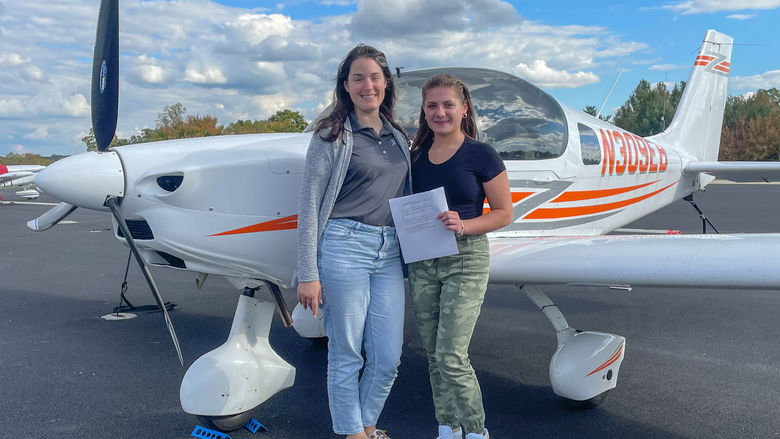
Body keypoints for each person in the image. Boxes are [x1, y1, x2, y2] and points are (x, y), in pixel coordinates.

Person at [295, 44, 411, 439]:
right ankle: (353, 434)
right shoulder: (331, 136)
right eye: (358, 78)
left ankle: (365, 425)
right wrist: (307, 272)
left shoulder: (397, 136)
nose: (368, 85)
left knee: (388, 357)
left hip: (390, 249)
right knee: (346, 353)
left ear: (386, 83)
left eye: (375, 77)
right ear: (345, 86)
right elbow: (310, 205)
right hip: (345, 246)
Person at [407, 74, 512, 439]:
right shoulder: (415, 157)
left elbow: (503, 212)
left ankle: (477, 430)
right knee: (434, 355)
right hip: (423, 259)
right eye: (432, 105)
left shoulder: (481, 155)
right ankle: (447, 427)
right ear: (424, 110)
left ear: (464, 108)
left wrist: (465, 224)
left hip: (465, 258)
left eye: (448, 104)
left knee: (452, 355)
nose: (440, 112)